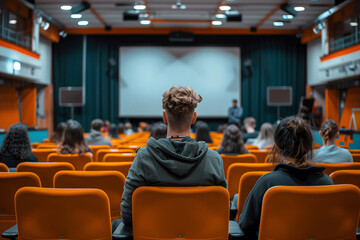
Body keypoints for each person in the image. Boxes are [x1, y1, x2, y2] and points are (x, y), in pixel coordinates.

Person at [120, 86, 227, 226]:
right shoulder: (214, 159)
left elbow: (127, 215)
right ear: (194, 118)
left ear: (164, 117)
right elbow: (222, 209)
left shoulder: (143, 158)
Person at [238, 116, 333, 239]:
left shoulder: (267, 183)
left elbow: (245, 225)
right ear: (309, 146)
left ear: (277, 147)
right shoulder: (327, 183)